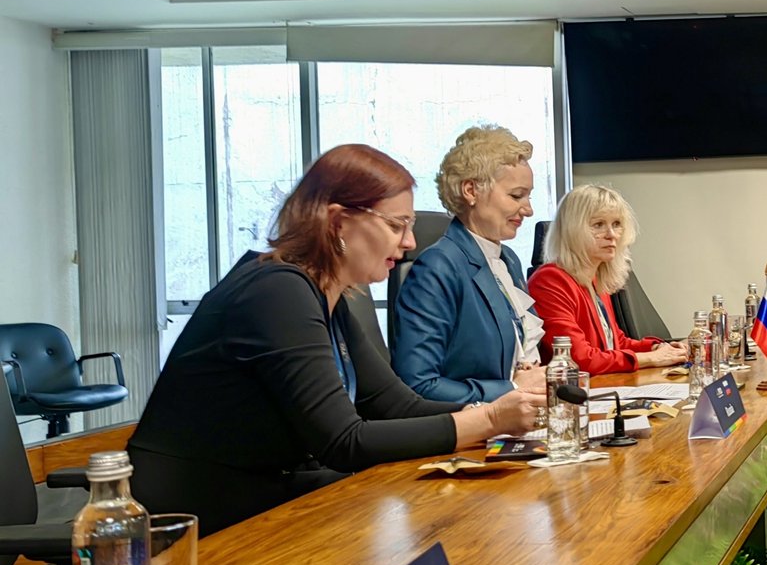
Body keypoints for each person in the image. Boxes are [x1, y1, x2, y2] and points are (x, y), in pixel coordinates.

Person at [129, 144, 543, 535]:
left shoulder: (327, 294)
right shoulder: (276, 291)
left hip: (268, 494)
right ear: (340, 222)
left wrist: (507, 416)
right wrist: (488, 420)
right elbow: (343, 441)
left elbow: (396, 406)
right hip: (195, 516)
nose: (410, 242)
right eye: (398, 225)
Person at [393, 125, 549, 403]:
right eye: (516, 196)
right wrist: (512, 388)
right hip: (472, 433)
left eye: (528, 196)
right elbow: (417, 385)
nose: (528, 209)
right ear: (470, 190)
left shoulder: (508, 259)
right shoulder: (437, 268)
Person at [527, 185, 688, 374]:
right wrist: (650, 358)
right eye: (598, 225)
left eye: (617, 224)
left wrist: (657, 349)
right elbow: (579, 360)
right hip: (576, 395)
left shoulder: (596, 278)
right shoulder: (550, 280)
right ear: (572, 229)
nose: (611, 234)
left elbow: (615, 343)